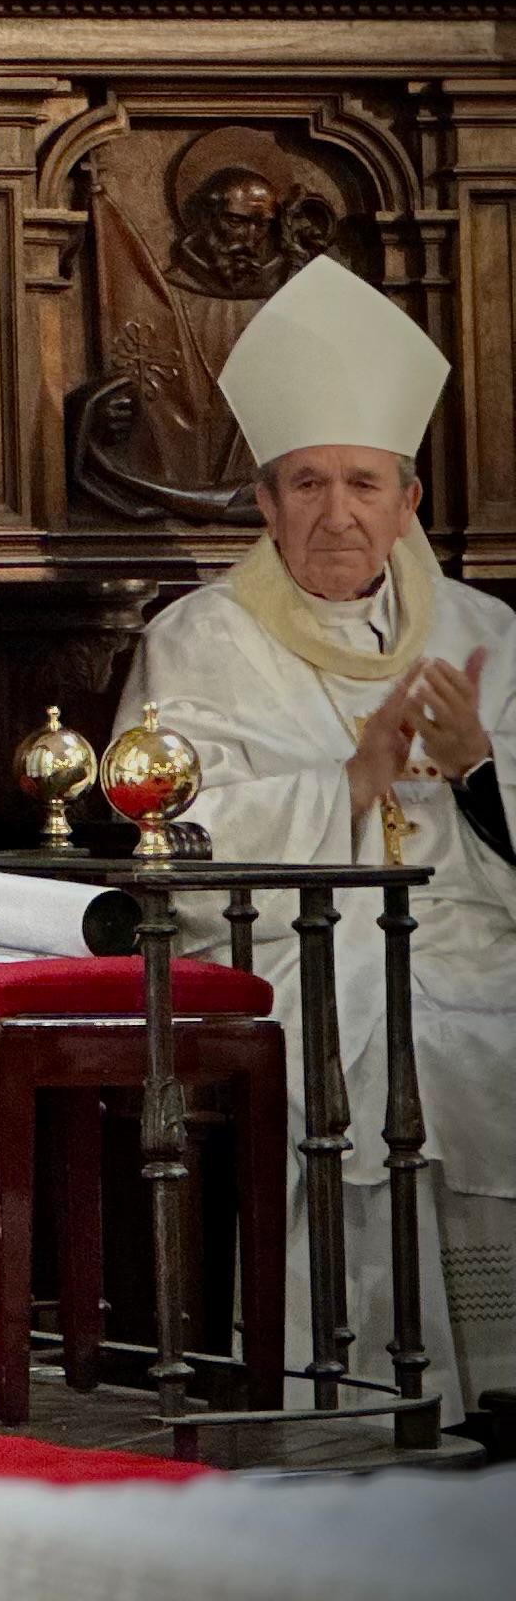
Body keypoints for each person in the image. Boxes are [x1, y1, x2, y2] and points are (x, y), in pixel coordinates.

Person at [118, 258, 515, 1407]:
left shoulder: (485, 631)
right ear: (263, 500)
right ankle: (370, 1375)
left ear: (409, 501)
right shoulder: (202, 639)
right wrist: (353, 777)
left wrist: (481, 766)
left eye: (362, 483)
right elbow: (171, 833)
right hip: (300, 943)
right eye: (306, 484)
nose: (335, 513)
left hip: (473, 930)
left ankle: (498, 1374)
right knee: (390, 1033)